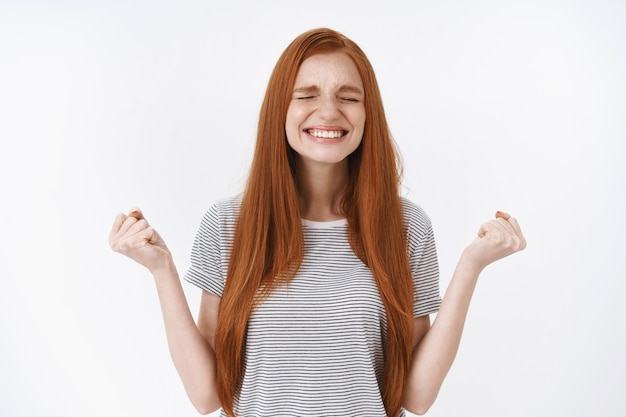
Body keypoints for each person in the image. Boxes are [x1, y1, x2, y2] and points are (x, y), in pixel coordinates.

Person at [109, 28, 526, 417]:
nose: (328, 111)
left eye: (349, 97)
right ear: (281, 109)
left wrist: (471, 267)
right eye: (306, 95)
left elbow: (415, 398)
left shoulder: (406, 226)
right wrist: (161, 269)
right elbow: (206, 396)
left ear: (368, 113)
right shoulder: (228, 224)